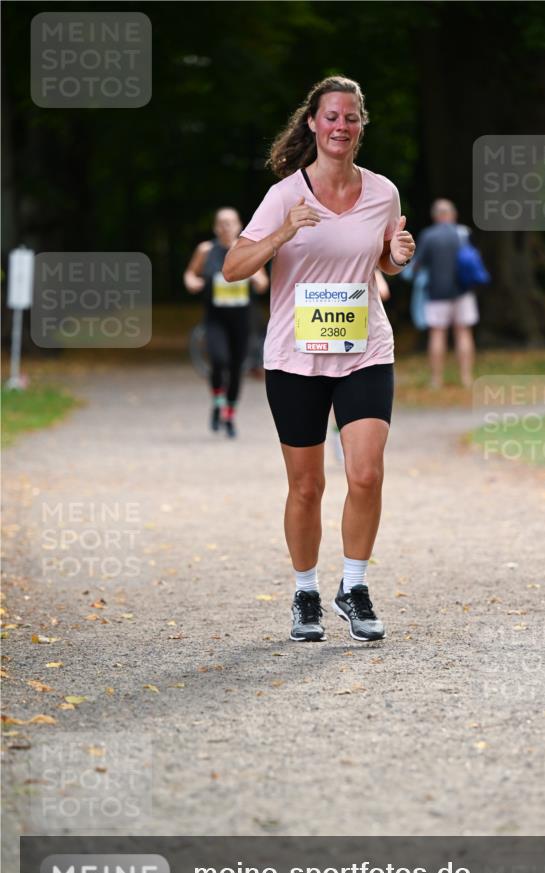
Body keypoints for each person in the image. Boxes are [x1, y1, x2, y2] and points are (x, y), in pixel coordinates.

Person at [223, 76, 415, 641]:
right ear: (313, 123)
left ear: (361, 125)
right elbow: (235, 268)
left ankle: (353, 586)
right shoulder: (286, 195)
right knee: (307, 487)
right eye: (331, 116)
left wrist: (397, 256)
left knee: (366, 473)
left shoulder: (384, 192)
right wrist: (283, 232)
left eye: (351, 118)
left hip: (364, 349)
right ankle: (305, 592)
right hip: (295, 354)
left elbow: (384, 259)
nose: (340, 126)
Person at [184, 207, 268, 436]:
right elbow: (190, 273)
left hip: (242, 321)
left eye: (230, 222)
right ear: (215, 227)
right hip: (215, 319)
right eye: (221, 223)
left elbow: (262, 284)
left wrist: (251, 273)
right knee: (219, 361)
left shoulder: (248, 250)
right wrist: (192, 282)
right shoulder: (206, 250)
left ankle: (229, 415)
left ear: (239, 226)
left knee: (236, 368)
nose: (226, 227)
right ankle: (218, 404)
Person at [412, 199, 478, 389]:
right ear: (453, 214)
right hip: (463, 291)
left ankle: (436, 380)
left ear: (435, 216)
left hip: (436, 293)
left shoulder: (428, 236)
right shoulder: (463, 233)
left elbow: (417, 265)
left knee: (437, 334)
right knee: (464, 332)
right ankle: (466, 378)